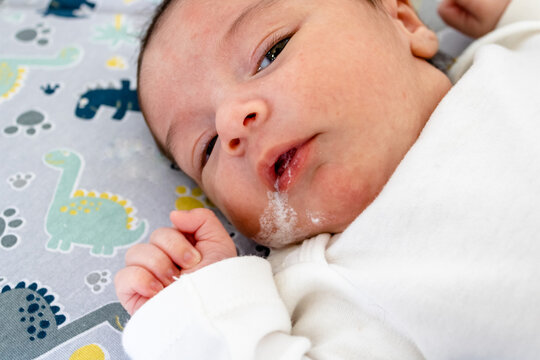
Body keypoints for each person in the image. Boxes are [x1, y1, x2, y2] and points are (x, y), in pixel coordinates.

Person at [115, 0, 540, 358]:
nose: (230, 123)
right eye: (206, 147)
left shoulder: (517, 47)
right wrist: (209, 315)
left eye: (271, 53)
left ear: (405, 22)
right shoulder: (325, 288)